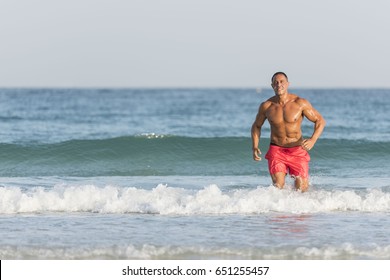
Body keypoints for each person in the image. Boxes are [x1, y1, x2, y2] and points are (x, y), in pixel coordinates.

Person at [251, 72, 325, 192]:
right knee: (277, 187)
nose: (278, 84)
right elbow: (256, 126)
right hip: (276, 151)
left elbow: (320, 121)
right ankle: (280, 210)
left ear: (288, 84)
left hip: (297, 150)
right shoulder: (267, 106)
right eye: (275, 82)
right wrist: (254, 146)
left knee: (302, 189)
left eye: (281, 82)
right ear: (272, 85)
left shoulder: (300, 103)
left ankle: (299, 210)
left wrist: (313, 140)